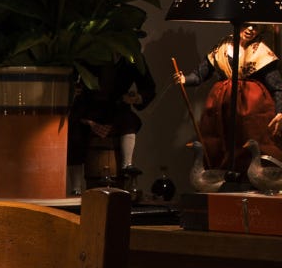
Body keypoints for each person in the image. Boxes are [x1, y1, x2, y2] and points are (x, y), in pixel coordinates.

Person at [175, 23, 282, 172]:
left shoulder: (262, 53)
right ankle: (221, 175)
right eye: (246, 24)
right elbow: (201, 73)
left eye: (255, 26)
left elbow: (276, 85)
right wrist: (185, 79)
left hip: (251, 106)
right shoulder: (222, 47)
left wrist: (280, 110)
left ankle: (248, 176)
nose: (250, 29)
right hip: (221, 103)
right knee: (218, 139)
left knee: (248, 140)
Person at [67, 59, 156, 193]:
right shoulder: (90, 50)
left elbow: (148, 87)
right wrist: (73, 89)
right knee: (74, 132)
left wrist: (137, 97)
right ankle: (76, 188)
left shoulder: (131, 57)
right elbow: (71, 74)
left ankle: (127, 165)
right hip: (87, 108)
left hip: (117, 108)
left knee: (129, 121)